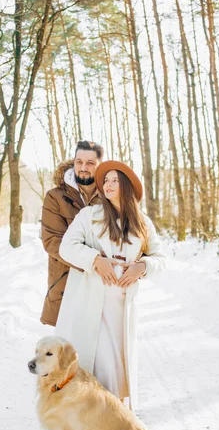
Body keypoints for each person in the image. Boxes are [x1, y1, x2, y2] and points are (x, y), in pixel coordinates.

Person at [55, 160, 164, 410]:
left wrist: (143, 267)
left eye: (115, 180)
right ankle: (99, 419)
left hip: (122, 308)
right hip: (94, 305)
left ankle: (116, 420)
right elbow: (66, 247)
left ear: (126, 186)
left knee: (119, 364)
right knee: (101, 364)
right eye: (106, 180)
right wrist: (95, 260)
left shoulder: (143, 223)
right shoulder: (89, 216)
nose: (108, 185)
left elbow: (161, 258)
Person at [40, 141, 104, 327]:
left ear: (99, 165)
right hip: (66, 279)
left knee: (101, 346)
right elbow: (52, 241)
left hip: (103, 283)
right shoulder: (55, 197)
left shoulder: (109, 196)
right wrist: (94, 262)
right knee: (68, 347)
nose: (83, 168)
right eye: (79, 162)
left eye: (90, 163)